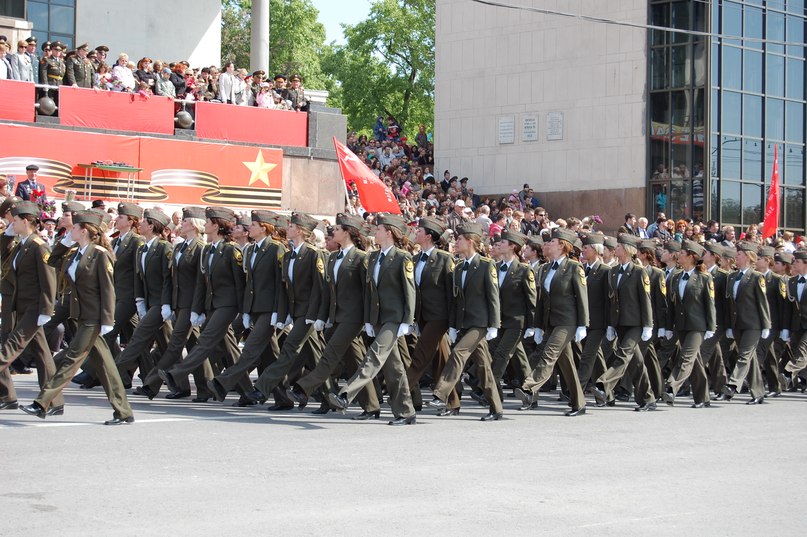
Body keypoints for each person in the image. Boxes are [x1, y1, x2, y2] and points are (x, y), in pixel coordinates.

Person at [20, 210, 135, 425]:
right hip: (80, 315)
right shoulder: (74, 252)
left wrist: (107, 321)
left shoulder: (100, 254)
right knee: (106, 367)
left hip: (93, 318)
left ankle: (42, 403)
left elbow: (108, 290)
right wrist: (64, 241)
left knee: (71, 359)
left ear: (83, 230)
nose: (70, 230)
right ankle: (124, 411)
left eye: (73, 228)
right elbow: (52, 260)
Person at [327, 213, 418, 425]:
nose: (373, 233)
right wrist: (368, 319)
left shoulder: (402, 257)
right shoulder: (374, 257)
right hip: (378, 318)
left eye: (377, 230)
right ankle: (406, 412)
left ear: (388, 233)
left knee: (374, 356)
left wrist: (407, 320)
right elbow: (370, 292)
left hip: (394, 318)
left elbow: (410, 290)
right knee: (393, 368)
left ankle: (345, 395)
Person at [286, 214, 381, 417]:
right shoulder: (334, 257)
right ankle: (371, 405)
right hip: (336, 316)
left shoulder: (362, 258)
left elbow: (368, 292)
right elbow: (327, 291)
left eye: (337, 229)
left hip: (353, 317)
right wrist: (323, 316)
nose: (333, 232)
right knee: (355, 360)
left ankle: (303, 388)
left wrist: (368, 320)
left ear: (347, 233)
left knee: (329, 355)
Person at [159, 207, 245, 398]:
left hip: (228, 304)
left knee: (204, 342)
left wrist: (244, 311)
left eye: (208, 222)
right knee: (228, 348)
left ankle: (176, 374)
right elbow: (201, 283)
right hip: (212, 303)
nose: (205, 224)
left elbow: (240, 283)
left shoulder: (232, 250)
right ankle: (247, 391)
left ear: (216, 226)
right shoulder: (208, 250)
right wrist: (198, 309)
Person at [426, 222, 504, 421]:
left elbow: (493, 297)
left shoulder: (487, 265)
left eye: (459, 239)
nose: (456, 242)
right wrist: (453, 324)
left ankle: (440, 393)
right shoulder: (459, 267)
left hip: (480, 323)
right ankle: (496, 408)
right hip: (464, 322)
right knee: (484, 367)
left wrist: (494, 324)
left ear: (470, 241)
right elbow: (455, 299)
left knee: (458, 353)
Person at [207, 210, 286, 402]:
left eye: (253, 225)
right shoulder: (250, 250)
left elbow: (281, 284)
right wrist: (246, 311)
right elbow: (248, 283)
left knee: (250, 348)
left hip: (270, 309)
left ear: (264, 228)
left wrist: (280, 312)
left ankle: (222, 383)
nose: (249, 227)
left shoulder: (276, 248)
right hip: (255, 308)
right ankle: (284, 398)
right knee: (270, 355)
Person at [514, 228, 588, 416]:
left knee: (548, 354)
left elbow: (582, 297)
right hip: (551, 321)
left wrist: (582, 324)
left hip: (567, 321)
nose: (547, 245)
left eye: (551, 242)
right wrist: (538, 325)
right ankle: (578, 403)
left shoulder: (573, 267)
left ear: (562, 245)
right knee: (566, 363)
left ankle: (529, 387)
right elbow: (541, 300)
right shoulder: (546, 268)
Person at [0, 201, 59, 412]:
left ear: (25, 221)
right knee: (42, 353)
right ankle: (54, 401)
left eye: (14, 220)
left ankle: (50, 400)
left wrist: (46, 309)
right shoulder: (22, 243)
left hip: (34, 309)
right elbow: (4, 256)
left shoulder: (38, 246)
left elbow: (48, 280)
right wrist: (8, 233)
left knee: (9, 348)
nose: (11, 223)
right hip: (21, 306)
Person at [590, 233, 657, 411]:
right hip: (619, 322)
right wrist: (610, 324)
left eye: (619, 246)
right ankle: (648, 399)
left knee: (623, 354)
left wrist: (648, 325)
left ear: (627, 249)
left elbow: (645, 299)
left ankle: (603, 385)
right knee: (636, 362)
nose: (615, 249)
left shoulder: (639, 271)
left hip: (635, 323)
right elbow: (611, 300)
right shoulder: (613, 271)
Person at [113, 209, 173, 389]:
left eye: (145, 221)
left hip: (160, 303)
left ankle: (112, 373)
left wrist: (166, 303)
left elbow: (167, 279)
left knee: (138, 339)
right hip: (148, 302)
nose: (140, 223)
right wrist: (139, 300)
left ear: (152, 226)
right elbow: (138, 277)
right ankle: (176, 383)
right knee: (168, 345)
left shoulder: (164, 247)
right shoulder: (142, 248)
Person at [402, 217, 457, 413]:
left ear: (428, 236)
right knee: (440, 358)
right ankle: (451, 402)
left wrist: (452, 322)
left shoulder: (444, 258)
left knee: (420, 355)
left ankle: (400, 393)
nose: (415, 233)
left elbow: (451, 292)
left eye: (419, 231)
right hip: (423, 316)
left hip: (439, 316)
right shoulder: (415, 259)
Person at [661, 240, 716, 408]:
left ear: (692, 257)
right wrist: (669, 327)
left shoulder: (704, 278)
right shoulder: (676, 277)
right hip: (681, 325)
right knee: (695, 362)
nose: (679, 256)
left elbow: (710, 304)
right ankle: (702, 397)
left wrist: (711, 327)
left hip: (697, 326)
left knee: (685, 358)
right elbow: (671, 305)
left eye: (683, 254)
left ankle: (671, 387)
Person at [721, 241, 770, 404]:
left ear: (748, 257)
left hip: (753, 325)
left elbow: (762, 303)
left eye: (740, 254)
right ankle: (758, 393)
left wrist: (766, 325)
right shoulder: (732, 276)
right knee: (751, 358)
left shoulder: (757, 277)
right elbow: (729, 304)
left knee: (743, 355)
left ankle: (733, 384)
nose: (737, 257)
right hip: (737, 324)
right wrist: (728, 325)